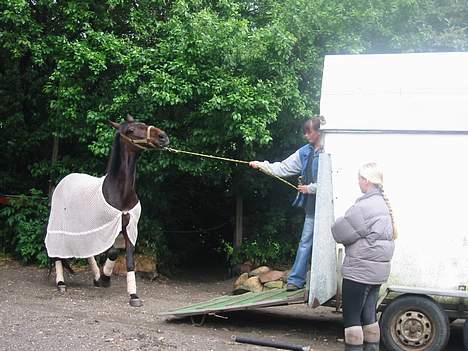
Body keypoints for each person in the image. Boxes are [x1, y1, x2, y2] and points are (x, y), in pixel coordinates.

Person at [249, 116, 325, 291]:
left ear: (319, 132)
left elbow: (334, 181)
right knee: (305, 242)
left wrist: (311, 188)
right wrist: (260, 165)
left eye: (309, 132)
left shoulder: (330, 150)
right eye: (305, 132)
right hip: (312, 209)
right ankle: (296, 281)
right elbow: (283, 168)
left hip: (332, 210)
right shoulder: (305, 151)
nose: (306, 136)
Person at [331, 162, 397, 351]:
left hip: (359, 273)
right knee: (370, 318)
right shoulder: (383, 204)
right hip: (376, 275)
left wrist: (339, 221)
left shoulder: (365, 206)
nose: (358, 182)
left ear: (366, 181)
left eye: (359, 178)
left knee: (352, 322)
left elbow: (339, 232)